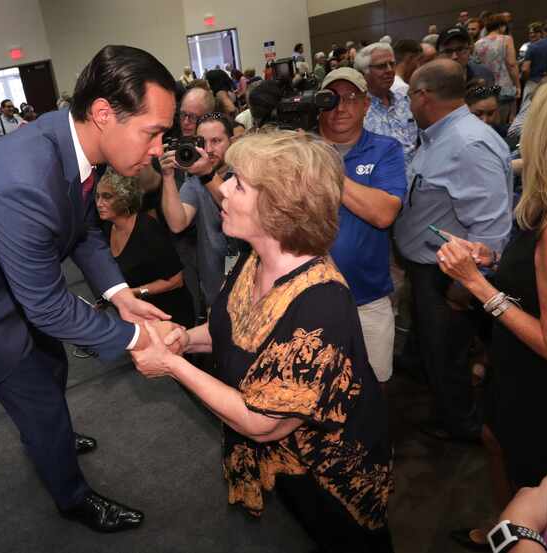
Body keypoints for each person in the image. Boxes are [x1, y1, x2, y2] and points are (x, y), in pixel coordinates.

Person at [0, 45, 180, 533]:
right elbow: (47, 305)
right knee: (38, 393)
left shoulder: (69, 140)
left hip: (3, 279)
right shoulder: (23, 182)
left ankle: (49, 436)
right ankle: (72, 497)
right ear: (104, 114)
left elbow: (83, 228)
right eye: (152, 133)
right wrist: (136, 339)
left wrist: (119, 295)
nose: (159, 150)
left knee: (51, 364)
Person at [132, 131, 394, 552]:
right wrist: (183, 339)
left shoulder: (321, 303)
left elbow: (262, 422)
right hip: (286, 468)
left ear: (281, 206)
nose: (225, 192)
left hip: (328, 477)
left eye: (239, 183)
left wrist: (172, 365)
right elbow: (234, 333)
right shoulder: (257, 259)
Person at [437, 75, 547, 550]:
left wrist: (477, 285)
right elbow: (542, 281)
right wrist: (494, 263)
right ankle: (504, 529)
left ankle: (516, 536)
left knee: (539, 488)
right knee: (496, 440)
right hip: (518, 371)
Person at [394, 60, 512, 443]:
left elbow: (492, 226)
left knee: (449, 355)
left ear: (424, 96)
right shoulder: (438, 135)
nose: (409, 102)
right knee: (434, 347)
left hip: (449, 275)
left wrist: (468, 285)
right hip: (428, 269)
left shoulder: (468, 144)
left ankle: (460, 426)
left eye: (411, 94)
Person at [317, 68, 407, 386]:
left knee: (374, 386)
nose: (340, 108)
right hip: (309, 303)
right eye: (331, 99)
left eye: (350, 98)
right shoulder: (297, 150)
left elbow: (383, 214)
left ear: (366, 105)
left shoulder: (386, 150)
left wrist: (323, 166)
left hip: (368, 300)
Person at [96, 168, 194, 327]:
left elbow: (176, 280)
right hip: (140, 316)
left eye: (107, 197)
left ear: (125, 198)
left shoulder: (147, 230)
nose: (99, 203)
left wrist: (136, 292)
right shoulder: (108, 228)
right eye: (97, 196)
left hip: (169, 315)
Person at [160, 113, 233, 310]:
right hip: (216, 289)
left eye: (216, 141)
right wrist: (167, 177)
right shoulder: (195, 179)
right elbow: (177, 223)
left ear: (232, 141)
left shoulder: (247, 173)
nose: (208, 150)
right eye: (202, 142)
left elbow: (235, 210)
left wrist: (208, 173)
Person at [355, 42, 419, 164]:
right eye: (381, 66)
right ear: (364, 73)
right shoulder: (357, 111)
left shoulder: (406, 100)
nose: (389, 70)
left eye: (392, 64)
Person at [474, 14, 521, 123]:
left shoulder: (477, 43)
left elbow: (477, 65)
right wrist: (518, 85)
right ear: (502, 26)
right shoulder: (506, 39)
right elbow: (512, 64)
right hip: (504, 87)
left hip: (485, 88)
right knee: (505, 121)